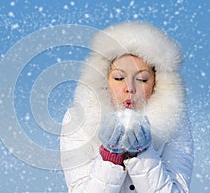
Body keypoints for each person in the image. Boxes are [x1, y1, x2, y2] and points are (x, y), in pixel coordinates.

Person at [60, 21, 194, 193]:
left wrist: (142, 153)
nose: (129, 88)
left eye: (142, 79)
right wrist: (110, 157)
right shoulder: (77, 119)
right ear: (103, 80)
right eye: (118, 78)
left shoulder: (176, 122)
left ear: (157, 84)